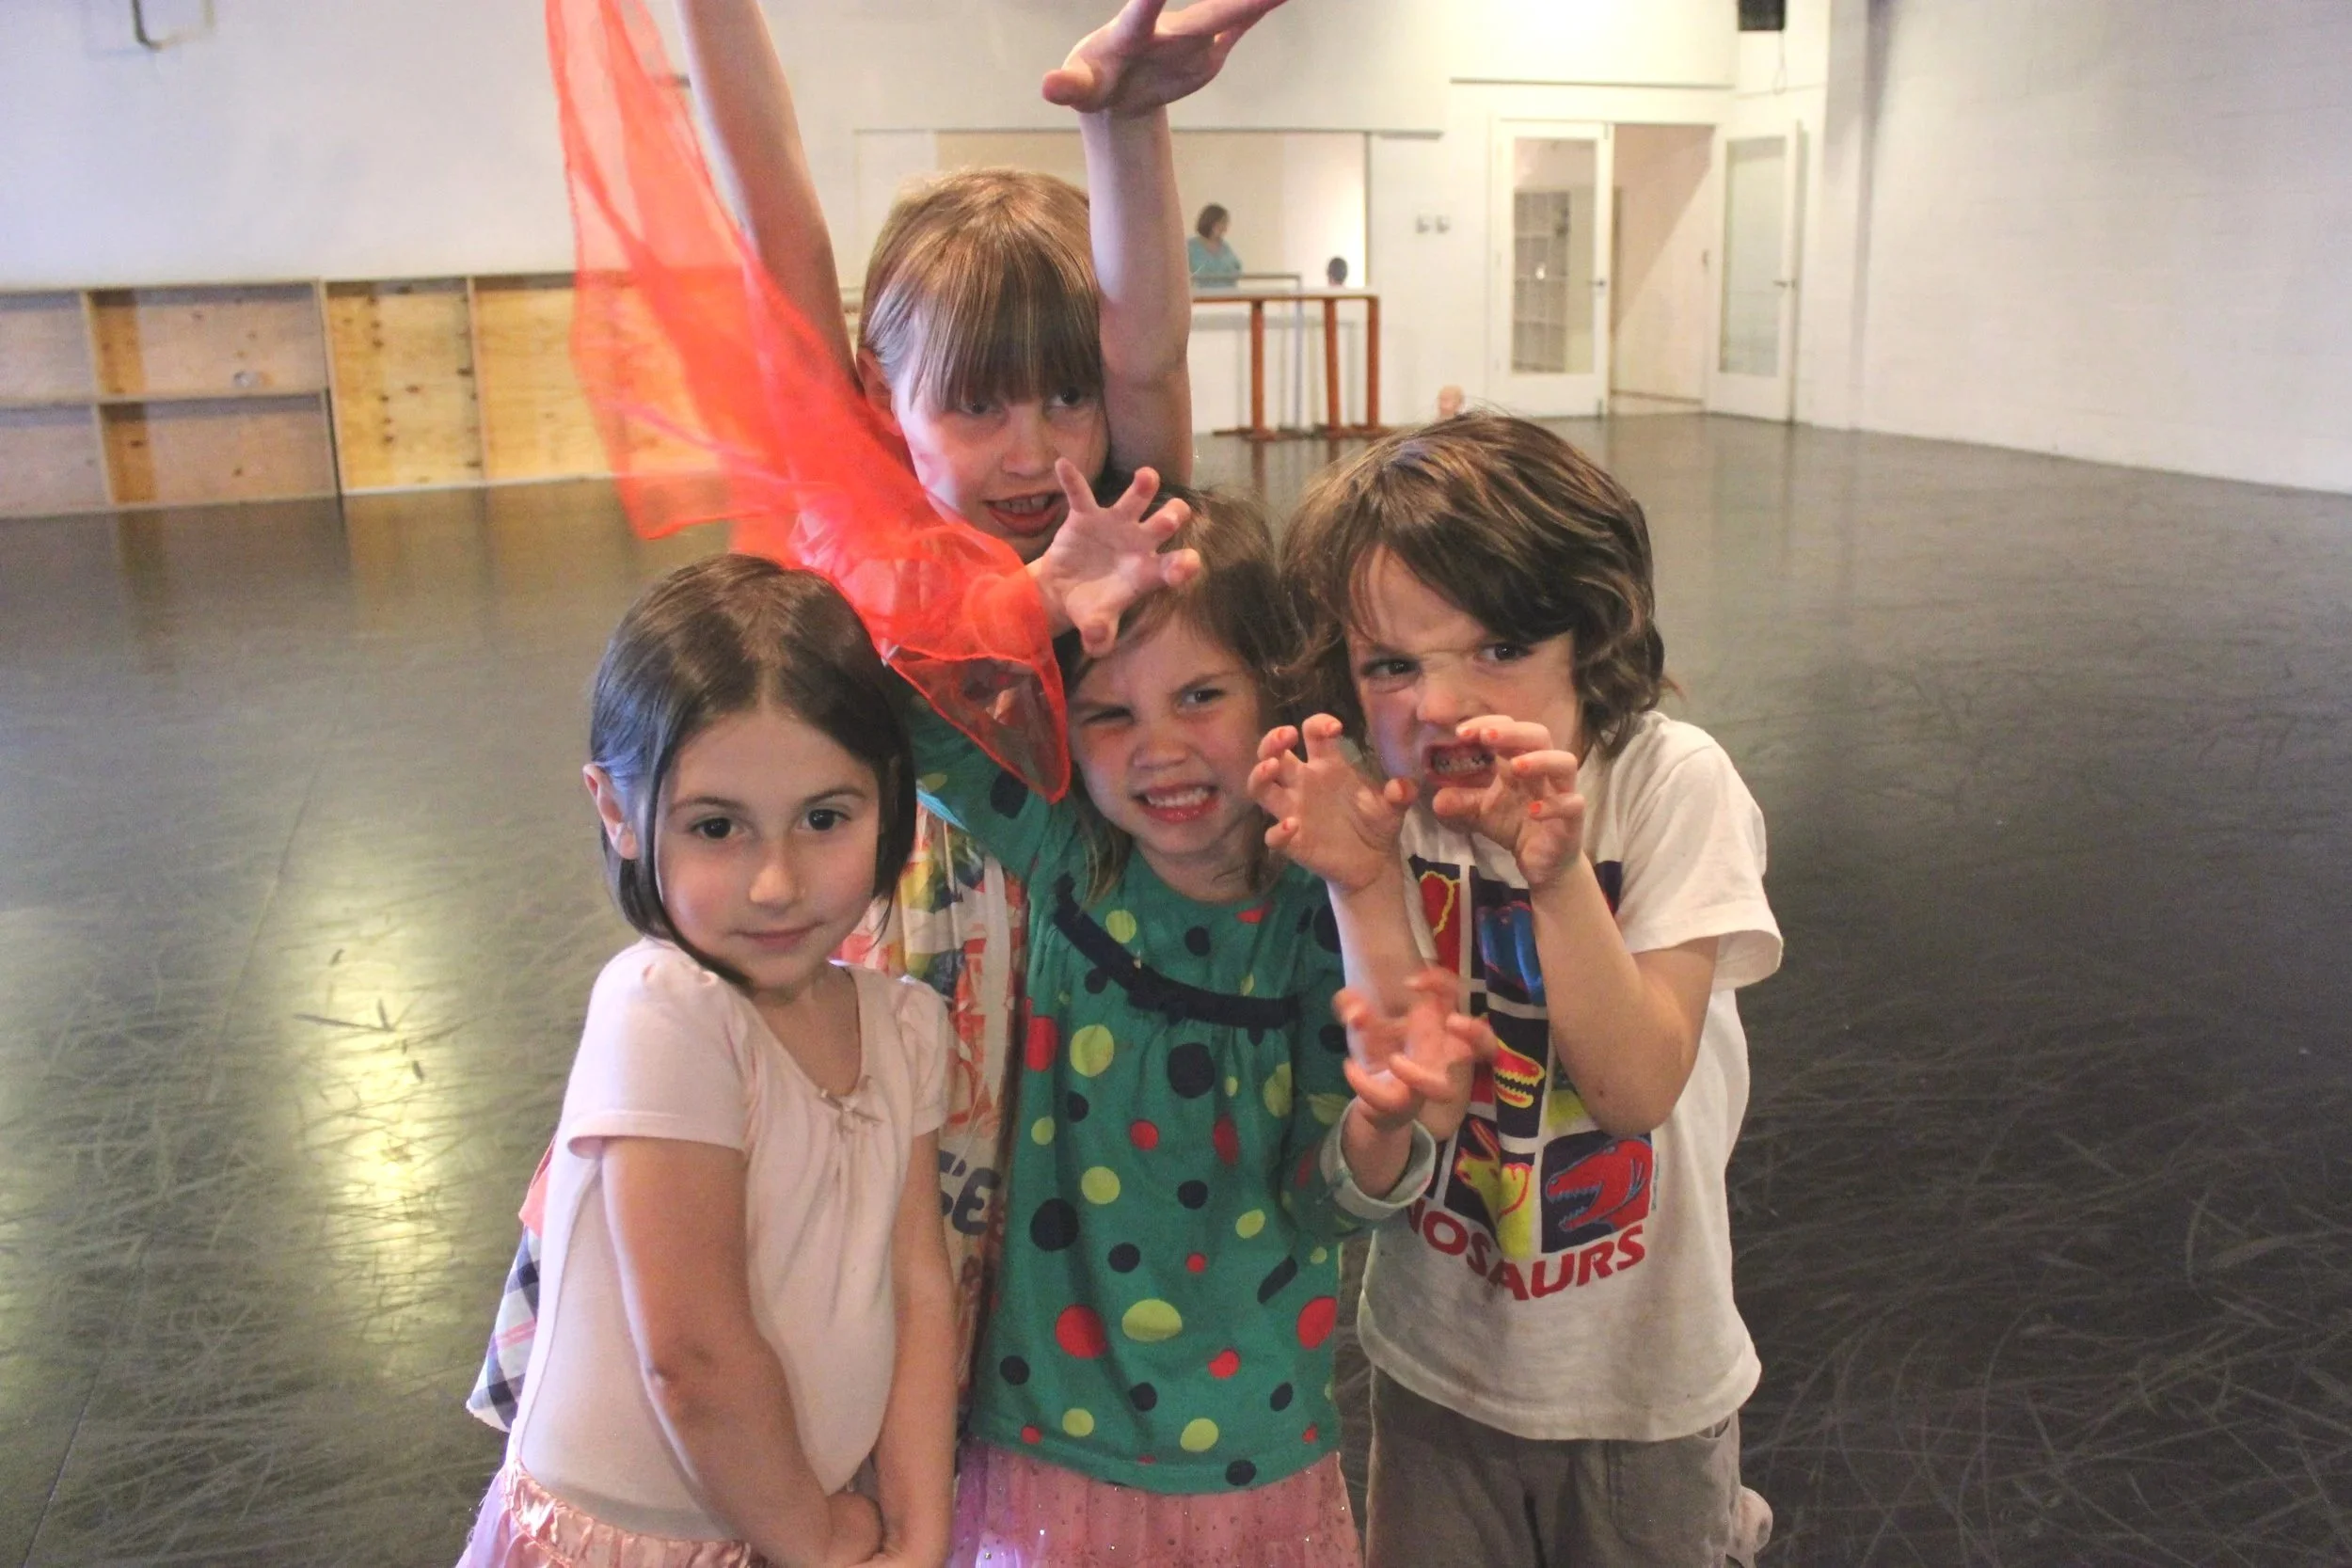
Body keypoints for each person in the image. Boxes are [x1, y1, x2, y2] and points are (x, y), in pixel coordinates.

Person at [474, 0, 1290, 1433]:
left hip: (1010, 1054)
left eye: (1064, 398)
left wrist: (1125, 123)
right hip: (822, 1014)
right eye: (978, 406)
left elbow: (1147, 359)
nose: (1037, 448)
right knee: (770, 1355)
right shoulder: (848, 528)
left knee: (934, 1367)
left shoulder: (1110, 528)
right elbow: (773, 199)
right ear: (878, 397)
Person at [917, 463, 1481, 1566]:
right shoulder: (1069, 855)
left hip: (1252, 1452)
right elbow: (882, 705)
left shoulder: (1323, 914)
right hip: (1044, 1441)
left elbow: (1334, 1200)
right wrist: (1036, 596)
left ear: (1274, 694)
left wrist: (1375, 1132)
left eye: (1199, 696)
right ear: (1060, 732)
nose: (1157, 747)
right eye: (1109, 713)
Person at [1261, 412, 1783, 1567]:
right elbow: (1423, 1096)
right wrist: (1358, 884)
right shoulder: (1394, 808)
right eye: (1393, 665)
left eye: (1495, 650)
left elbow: (1637, 1083)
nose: (1437, 705)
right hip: (1442, 1364)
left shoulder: (1665, 786)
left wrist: (1554, 878)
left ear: (1588, 635)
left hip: (1641, 1385)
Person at [457, 555, 954, 1568]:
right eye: (717, 827)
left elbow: (919, 1285)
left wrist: (918, 1526)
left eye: (825, 817)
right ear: (614, 809)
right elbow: (692, 1353)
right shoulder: (666, 1010)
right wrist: (813, 1536)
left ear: (887, 799)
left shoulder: (905, 1025)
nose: (776, 881)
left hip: (798, 1527)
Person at [1187, 203, 1245, 287]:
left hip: (1227, 296)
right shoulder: (1191, 246)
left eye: (1226, 223)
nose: (1224, 227)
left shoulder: (1225, 247)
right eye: (1222, 222)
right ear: (1210, 222)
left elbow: (1236, 270)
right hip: (1201, 297)